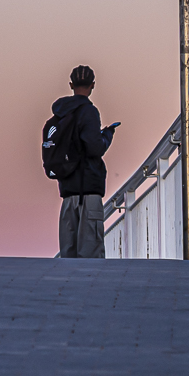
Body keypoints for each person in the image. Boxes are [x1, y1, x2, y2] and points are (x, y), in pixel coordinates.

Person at [44, 64, 117, 259]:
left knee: (68, 257)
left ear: (71, 84)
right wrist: (107, 135)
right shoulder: (88, 111)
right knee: (91, 258)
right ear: (93, 85)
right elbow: (94, 147)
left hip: (68, 194)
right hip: (89, 194)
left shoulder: (60, 114)